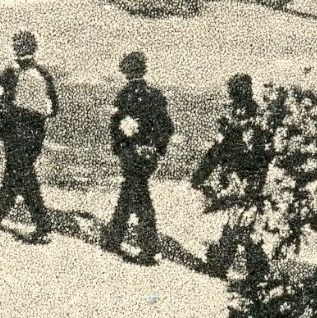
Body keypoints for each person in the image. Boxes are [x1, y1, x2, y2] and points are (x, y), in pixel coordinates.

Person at [0, 30, 58, 243]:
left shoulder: (10, 73)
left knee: (22, 175)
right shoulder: (44, 73)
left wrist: (9, 116)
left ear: (16, 49)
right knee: (17, 173)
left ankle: (43, 225)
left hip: (15, 132)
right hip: (36, 133)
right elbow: (54, 108)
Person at [191, 73, 271, 279]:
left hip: (243, 178)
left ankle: (229, 267)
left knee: (240, 222)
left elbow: (218, 150)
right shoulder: (258, 116)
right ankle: (251, 268)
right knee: (243, 222)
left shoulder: (240, 119)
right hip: (254, 177)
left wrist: (201, 175)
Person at [101, 51, 174, 265]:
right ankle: (113, 238)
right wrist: (156, 148)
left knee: (140, 199)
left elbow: (116, 128)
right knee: (129, 192)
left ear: (126, 71)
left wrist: (122, 148)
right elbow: (167, 128)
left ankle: (149, 248)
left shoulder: (125, 95)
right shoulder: (156, 95)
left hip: (131, 154)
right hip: (148, 155)